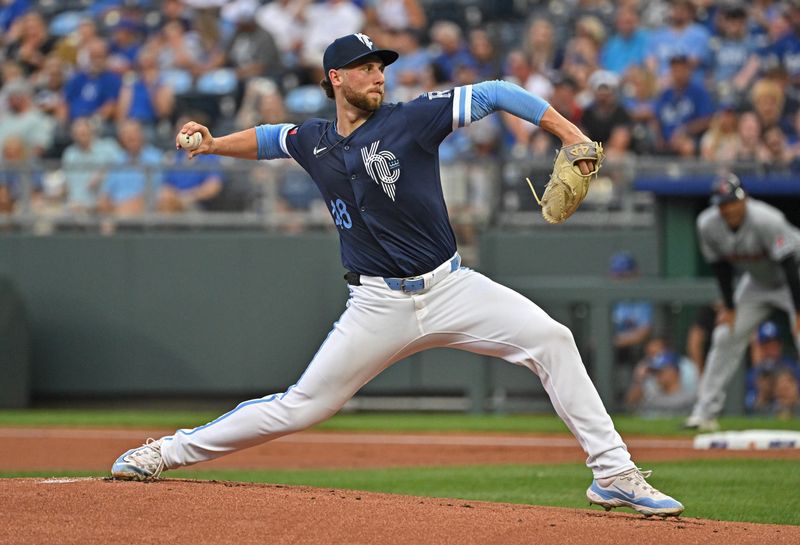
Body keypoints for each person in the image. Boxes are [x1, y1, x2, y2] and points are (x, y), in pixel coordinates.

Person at [111, 33, 683, 517]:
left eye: (381, 66)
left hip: (452, 286)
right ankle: (166, 452)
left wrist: (570, 135)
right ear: (336, 78)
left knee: (552, 339)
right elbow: (270, 138)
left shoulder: (411, 120)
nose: (378, 75)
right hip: (377, 306)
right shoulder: (315, 140)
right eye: (366, 68)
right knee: (302, 406)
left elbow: (497, 92)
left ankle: (613, 473)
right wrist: (213, 145)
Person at [685, 173, 800, 431]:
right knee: (725, 335)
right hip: (757, 283)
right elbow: (720, 267)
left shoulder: (766, 219)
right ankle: (704, 413)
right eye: (722, 203)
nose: (728, 208)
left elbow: (790, 266)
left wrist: (798, 312)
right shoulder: (707, 224)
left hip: (795, 278)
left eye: (732, 202)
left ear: (744, 199)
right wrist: (729, 306)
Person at [746, 320, 800, 419]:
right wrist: (763, 393)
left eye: (774, 344)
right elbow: (749, 405)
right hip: (765, 415)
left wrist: (789, 391)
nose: (771, 348)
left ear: (780, 345)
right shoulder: (754, 373)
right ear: (761, 347)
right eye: (767, 345)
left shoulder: (791, 366)